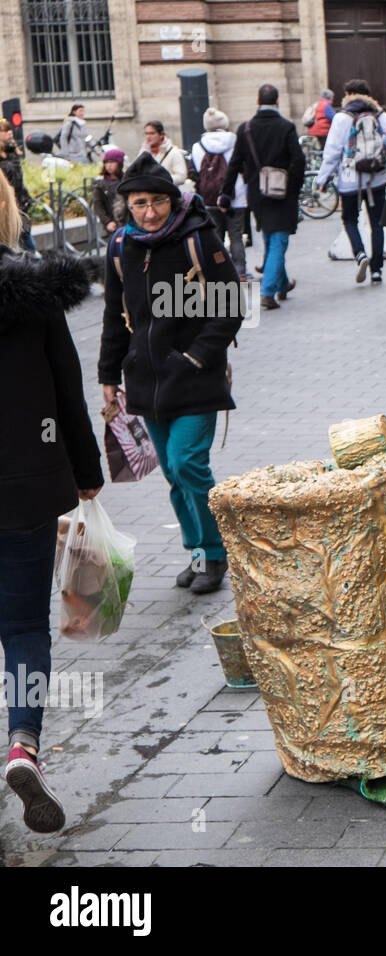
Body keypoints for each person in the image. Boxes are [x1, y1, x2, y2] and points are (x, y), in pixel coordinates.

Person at [0, 173, 103, 834]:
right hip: (25, 487)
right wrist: (87, 474)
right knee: (24, 627)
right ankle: (23, 745)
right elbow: (68, 390)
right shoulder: (35, 293)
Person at [98, 154, 242, 594]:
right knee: (173, 475)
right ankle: (196, 552)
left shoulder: (197, 237)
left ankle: (215, 554)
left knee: (187, 462)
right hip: (146, 379)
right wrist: (108, 373)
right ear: (128, 205)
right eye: (139, 203)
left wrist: (196, 356)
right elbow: (112, 314)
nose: (149, 211)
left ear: (172, 199)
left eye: (157, 201)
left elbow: (231, 303)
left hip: (195, 377)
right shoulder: (122, 247)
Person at [219, 83, 306, 310]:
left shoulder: (245, 129)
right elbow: (298, 160)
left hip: (257, 193)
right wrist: (293, 189)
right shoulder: (286, 127)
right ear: (278, 102)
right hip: (282, 190)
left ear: (258, 102)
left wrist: (225, 193)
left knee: (271, 237)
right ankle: (267, 292)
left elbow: (235, 163)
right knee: (279, 240)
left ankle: (283, 283)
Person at [316, 78, 386, 285]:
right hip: (377, 178)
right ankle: (377, 270)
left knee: (349, 220)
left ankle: (360, 254)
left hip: (349, 180)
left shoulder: (342, 118)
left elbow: (332, 152)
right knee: (377, 224)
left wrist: (323, 179)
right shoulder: (380, 115)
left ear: (348, 95)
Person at [191, 108, 248, 280]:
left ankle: (219, 271)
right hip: (235, 197)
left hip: (209, 198)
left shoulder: (197, 146)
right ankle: (240, 270)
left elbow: (194, 172)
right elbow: (243, 167)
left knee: (216, 237)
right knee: (236, 235)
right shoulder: (235, 141)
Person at [0, 119, 35, 250]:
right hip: (7, 204)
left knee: (28, 245)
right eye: (5, 130)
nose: (10, 133)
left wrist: (26, 198)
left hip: (19, 203)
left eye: (10, 130)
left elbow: (18, 180)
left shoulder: (13, 152)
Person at [138, 121, 191, 190]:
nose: (148, 137)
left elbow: (181, 177)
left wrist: (161, 179)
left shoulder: (174, 152)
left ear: (161, 135)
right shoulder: (143, 152)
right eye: (146, 133)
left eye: (152, 133)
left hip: (167, 193)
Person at [90, 147, 125, 238]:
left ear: (119, 164)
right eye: (106, 162)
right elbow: (98, 205)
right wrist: (107, 222)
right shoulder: (101, 184)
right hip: (113, 225)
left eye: (112, 162)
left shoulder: (127, 180)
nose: (109, 165)